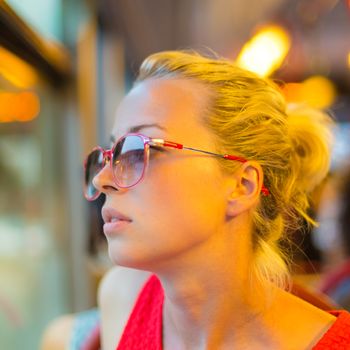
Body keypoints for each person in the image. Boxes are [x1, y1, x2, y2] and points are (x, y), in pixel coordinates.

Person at [84, 50, 350, 349]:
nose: (102, 179)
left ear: (242, 185)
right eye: (111, 154)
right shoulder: (123, 296)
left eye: (138, 150)